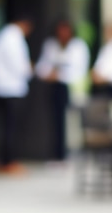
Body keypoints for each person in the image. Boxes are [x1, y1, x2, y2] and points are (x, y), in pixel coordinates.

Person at [0, 15, 34, 175]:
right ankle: (9, 161)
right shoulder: (13, 39)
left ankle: (3, 160)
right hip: (11, 89)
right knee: (11, 129)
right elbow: (19, 66)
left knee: (5, 127)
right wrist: (30, 70)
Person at [36, 17, 90, 160]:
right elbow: (42, 66)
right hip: (54, 88)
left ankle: (70, 153)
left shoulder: (78, 46)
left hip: (72, 88)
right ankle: (57, 155)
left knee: (72, 123)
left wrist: (60, 74)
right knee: (56, 122)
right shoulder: (51, 45)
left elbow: (80, 70)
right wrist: (48, 74)